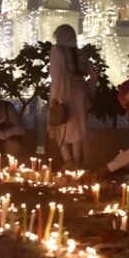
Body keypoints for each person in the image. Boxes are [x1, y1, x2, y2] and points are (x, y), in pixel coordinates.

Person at [48, 24, 97, 171]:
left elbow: (56, 76)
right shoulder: (80, 53)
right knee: (77, 129)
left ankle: (68, 160)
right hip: (80, 95)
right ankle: (76, 163)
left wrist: (55, 98)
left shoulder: (56, 50)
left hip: (63, 93)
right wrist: (89, 92)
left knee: (58, 126)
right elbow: (94, 75)